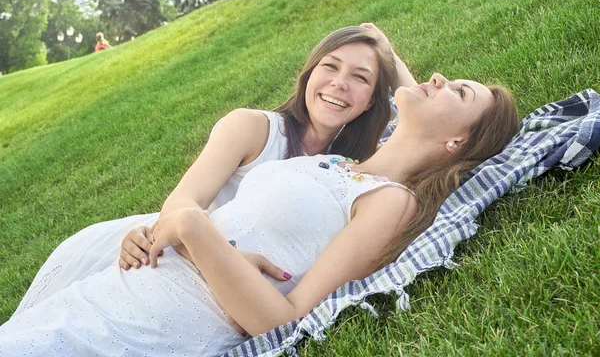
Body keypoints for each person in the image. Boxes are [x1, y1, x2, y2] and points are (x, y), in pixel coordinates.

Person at [0, 61, 519, 355]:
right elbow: (407, 88)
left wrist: (190, 228)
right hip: (106, 295)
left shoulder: (390, 202)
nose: (436, 79)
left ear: (458, 142)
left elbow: (283, 322)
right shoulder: (336, 163)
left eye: (459, 91)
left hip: (144, 332)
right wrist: (176, 233)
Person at [6, 26, 400, 326]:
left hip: (219, 285)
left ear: (371, 101)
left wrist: (388, 53)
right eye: (329, 66)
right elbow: (181, 203)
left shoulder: (349, 169)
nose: (339, 83)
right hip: (167, 248)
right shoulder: (253, 128)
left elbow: (433, 125)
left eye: (360, 78)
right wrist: (224, 257)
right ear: (308, 75)